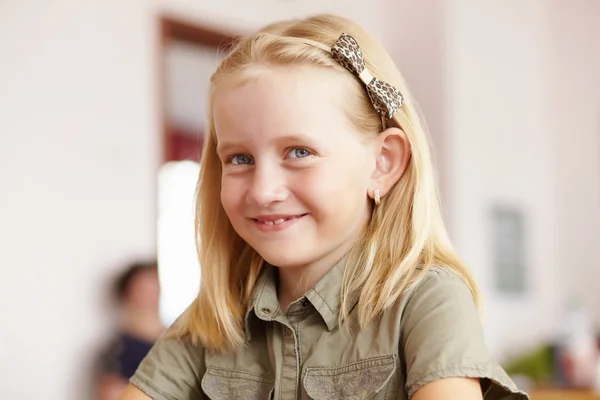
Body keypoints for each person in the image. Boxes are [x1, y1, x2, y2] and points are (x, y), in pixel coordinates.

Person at [119, 14, 528, 400]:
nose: (263, 191)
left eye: (299, 151)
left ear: (382, 164)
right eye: (240, 159)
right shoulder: (217, 315)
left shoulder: (428, 301)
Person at [95, 261, 164, 400]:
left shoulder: (182, 341)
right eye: (144, 290)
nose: (151, 297)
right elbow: (113, 394)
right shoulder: (116, 352)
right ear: (127, 296)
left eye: (155, 289)